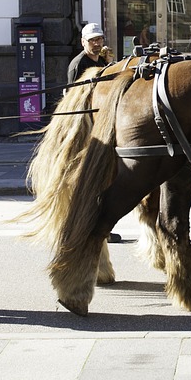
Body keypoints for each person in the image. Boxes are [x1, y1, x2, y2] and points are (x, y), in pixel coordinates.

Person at [64, 22, 123, 243]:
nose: (97, 44)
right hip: (89, 129)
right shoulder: (78, 65)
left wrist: (110, 65)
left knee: (106, 180)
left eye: (99, 39)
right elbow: (74, 102)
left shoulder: (101, 60)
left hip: (103, 124)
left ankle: (101, 227)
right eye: (92, 41)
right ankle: (92, 228)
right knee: (93, 180)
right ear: (83, 42)